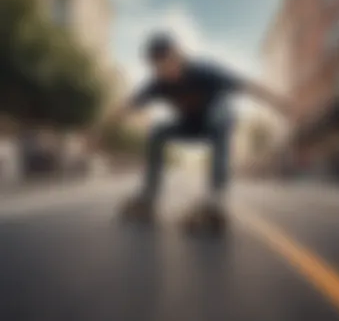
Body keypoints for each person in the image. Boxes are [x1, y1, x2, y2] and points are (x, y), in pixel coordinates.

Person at [91, 32, 291, 219]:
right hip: (190, 127)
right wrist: (99, 132)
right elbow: (125, 107)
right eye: (161, 68)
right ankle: (149, 197)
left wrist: (280, 104)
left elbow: (246, 86)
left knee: (221, 113)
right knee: (158, 130)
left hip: (216, 125)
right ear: (155, 67)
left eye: (172, 63)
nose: (170, 72)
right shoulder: (157, 84)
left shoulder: (203, 70)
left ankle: (215, 198)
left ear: (178, 55)